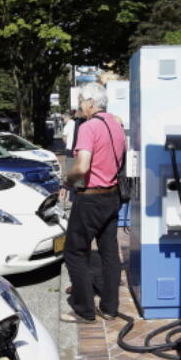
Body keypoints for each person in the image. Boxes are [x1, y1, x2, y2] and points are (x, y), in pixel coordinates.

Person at [60, 83, 125, 323]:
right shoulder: (116, 125)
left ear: (90, 102)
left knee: (75, 252)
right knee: (109, 252)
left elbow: (83, 166)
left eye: (80, 103)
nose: (79, 107)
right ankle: (109, 307)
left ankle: (84, 309)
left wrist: (67, 179)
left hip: (90, 197)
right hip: (112, 195)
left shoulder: (89, 127)